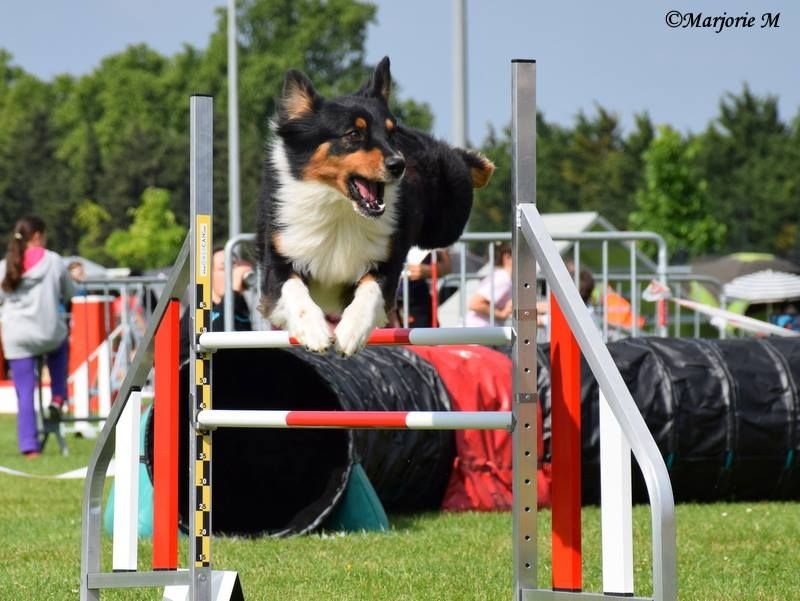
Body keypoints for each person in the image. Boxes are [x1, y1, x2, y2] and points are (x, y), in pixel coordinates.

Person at [0, 216, 76, 458]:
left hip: (17, 336)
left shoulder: (6, 265)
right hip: (48, 332)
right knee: (61, 346)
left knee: (25, 391)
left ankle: (30, 448)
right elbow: (68, 292)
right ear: (37, 236)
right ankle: (57, 396)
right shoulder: (53, 261)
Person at [397, 247, 452, 328]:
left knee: (423, 337)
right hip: (385, 297)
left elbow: (447, 267)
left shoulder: (431, 236)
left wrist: (429, 270)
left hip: (417, 300)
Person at [466, 242, 514, 327]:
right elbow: (475, 304)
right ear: (507, 257)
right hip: (479, 330)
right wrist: (501, 314)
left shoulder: (502, 277)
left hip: (479, 331)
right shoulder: (503, 279)